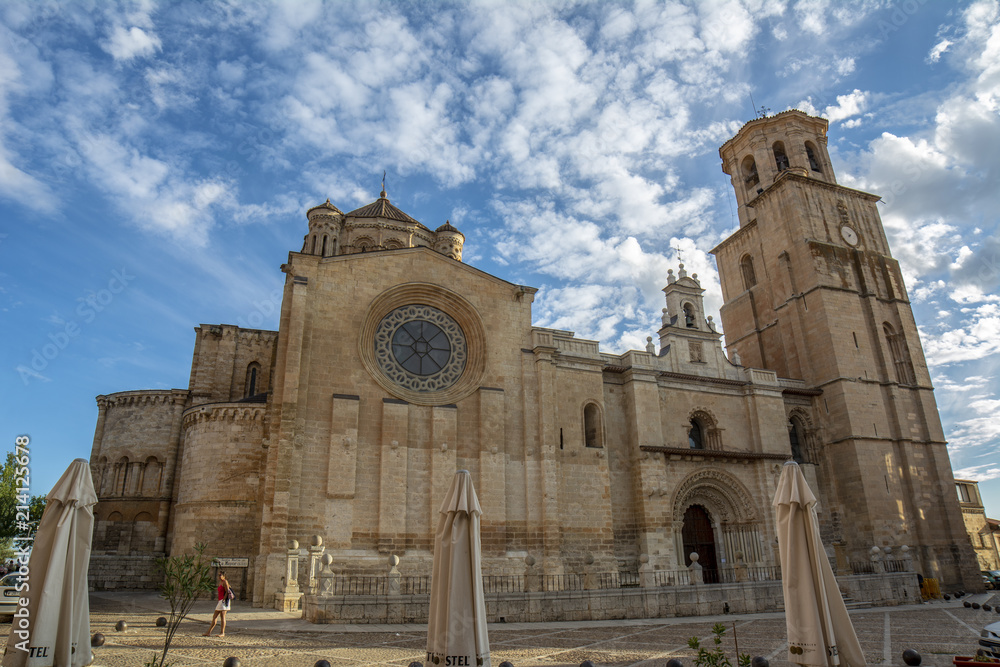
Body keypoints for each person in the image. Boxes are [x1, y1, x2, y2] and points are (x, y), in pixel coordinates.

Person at [203, 572, 233, 637]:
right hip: (220, 601)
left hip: (224, 601)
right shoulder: (220, 582)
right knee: (215, 616)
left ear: (224, 576)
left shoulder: (225, 582)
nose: (219, 576)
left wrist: (224, 599)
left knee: (222, 616)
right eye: (218, 575)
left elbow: (227, 591)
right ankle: (208, 632)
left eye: (220, 575)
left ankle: (222, 632)